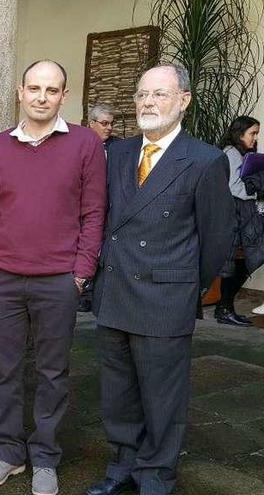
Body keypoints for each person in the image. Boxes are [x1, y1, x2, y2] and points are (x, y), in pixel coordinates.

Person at [87, 64, 234, 495]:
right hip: (115, 293)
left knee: (162, 399)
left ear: (184, 100)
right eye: (142, 94)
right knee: (118, 394)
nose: (148, 102)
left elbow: (216, 241)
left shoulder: (205, 160)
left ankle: (156, 476)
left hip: (164, 298)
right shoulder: (116, 153)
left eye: (159, 94)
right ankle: (123, 467)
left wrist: (181, 284)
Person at [0, 60, 107, 495]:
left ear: (64, 96)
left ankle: (46, 457)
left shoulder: (85, 143)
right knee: (4, 370)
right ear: (20, 92)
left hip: (58, 281)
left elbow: (93, 213)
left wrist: (81, 272)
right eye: (34, 88)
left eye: (52, 89)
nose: (42, 96)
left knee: (53, 372)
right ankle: (9, 453)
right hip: (3, 279)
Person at [214, 116, 261, 326]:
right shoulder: (231, 153)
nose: (255, 137)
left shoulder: (243, 153)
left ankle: (225, 307)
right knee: (236, 263)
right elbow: (235, 187)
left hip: (240, 217)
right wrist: (256, 193)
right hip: (233, 218)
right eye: (252, 133)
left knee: (241, 262)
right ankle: (224, 308)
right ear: (239, 133)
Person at [78, 103, 123, 313]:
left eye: (111, 124)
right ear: (91, 123)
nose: (109, 128)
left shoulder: (119, 148)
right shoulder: (79, 145)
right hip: (82, 208)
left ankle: (96, 293)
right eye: (104, 123)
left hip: (110, 209)